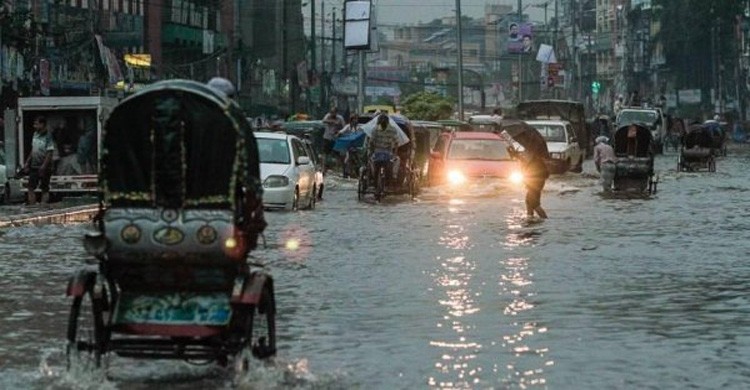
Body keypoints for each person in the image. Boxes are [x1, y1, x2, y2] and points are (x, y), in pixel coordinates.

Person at [21, 116, 56, 206]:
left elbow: (50, 152)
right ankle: (33, 205)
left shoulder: (48, 136)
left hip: (45, 166)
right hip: (34, 165)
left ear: (42, 124)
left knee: (44, 187)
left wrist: (44, 166)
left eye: (36, 124)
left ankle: (43, 204)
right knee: (30, 187)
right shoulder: (35, 135)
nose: (34, 126)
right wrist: (27, 162)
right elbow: (33, 150)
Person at [368, 114, 399, 188]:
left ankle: (374, 180)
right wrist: (395, 154)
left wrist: (371, 152)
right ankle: (392, 178)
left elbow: (371, 142)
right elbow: (396, 142)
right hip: (388, 153)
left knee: (372, 163)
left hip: (377, 152)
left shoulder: (375, 129)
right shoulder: (393, 129)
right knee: (395, 161)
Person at [521, 152, 549, 219]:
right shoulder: (533, 162)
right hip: (533, 186)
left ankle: (545, 219)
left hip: (534, 186)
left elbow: (542, 174)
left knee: (534, 203)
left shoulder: (536, 163)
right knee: (528, 201)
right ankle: (530, 217)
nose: (525, 154)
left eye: (527, 153)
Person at [321, 107, 345, 174]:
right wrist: (332, 121)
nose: (332, 114)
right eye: (331, 112)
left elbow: (344, 127)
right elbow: (323, 120)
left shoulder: (340, 118)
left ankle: (339, 170)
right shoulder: (328, 116)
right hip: (327, 137)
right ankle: (323, 169)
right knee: (325, 153)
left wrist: (339, 132)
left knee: (338, 154)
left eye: (334, 113)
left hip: (335, 138)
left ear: (336, 113)